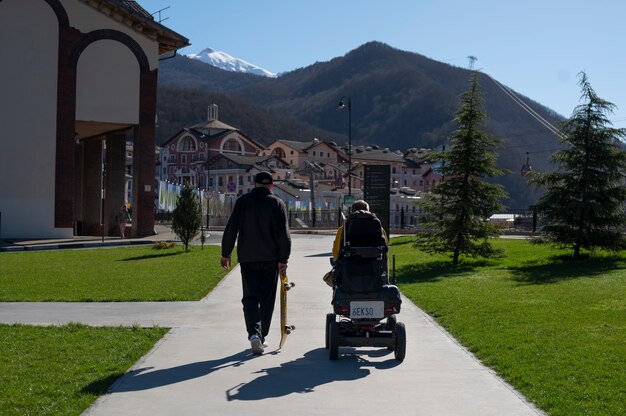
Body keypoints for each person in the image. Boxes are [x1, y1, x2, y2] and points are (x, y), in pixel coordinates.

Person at [221, 171, 291, 354]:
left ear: (255, 184)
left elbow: (231, 229)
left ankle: (254, 333)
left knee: (250, 297)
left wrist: (225, 253)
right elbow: (284, 234)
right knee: (267, 298)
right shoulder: (277, 203)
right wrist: (283, 259)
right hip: (271, 259)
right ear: (272, 186)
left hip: (248, 258)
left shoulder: (243, 202)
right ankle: (262, 336)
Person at [324, 199, 388, 287]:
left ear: (352, 212)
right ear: (368, 212)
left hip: (349, 273)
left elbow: (336, 254)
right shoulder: (379, 229)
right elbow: (384, 249)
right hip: (374, 271)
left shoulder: (343, 230)